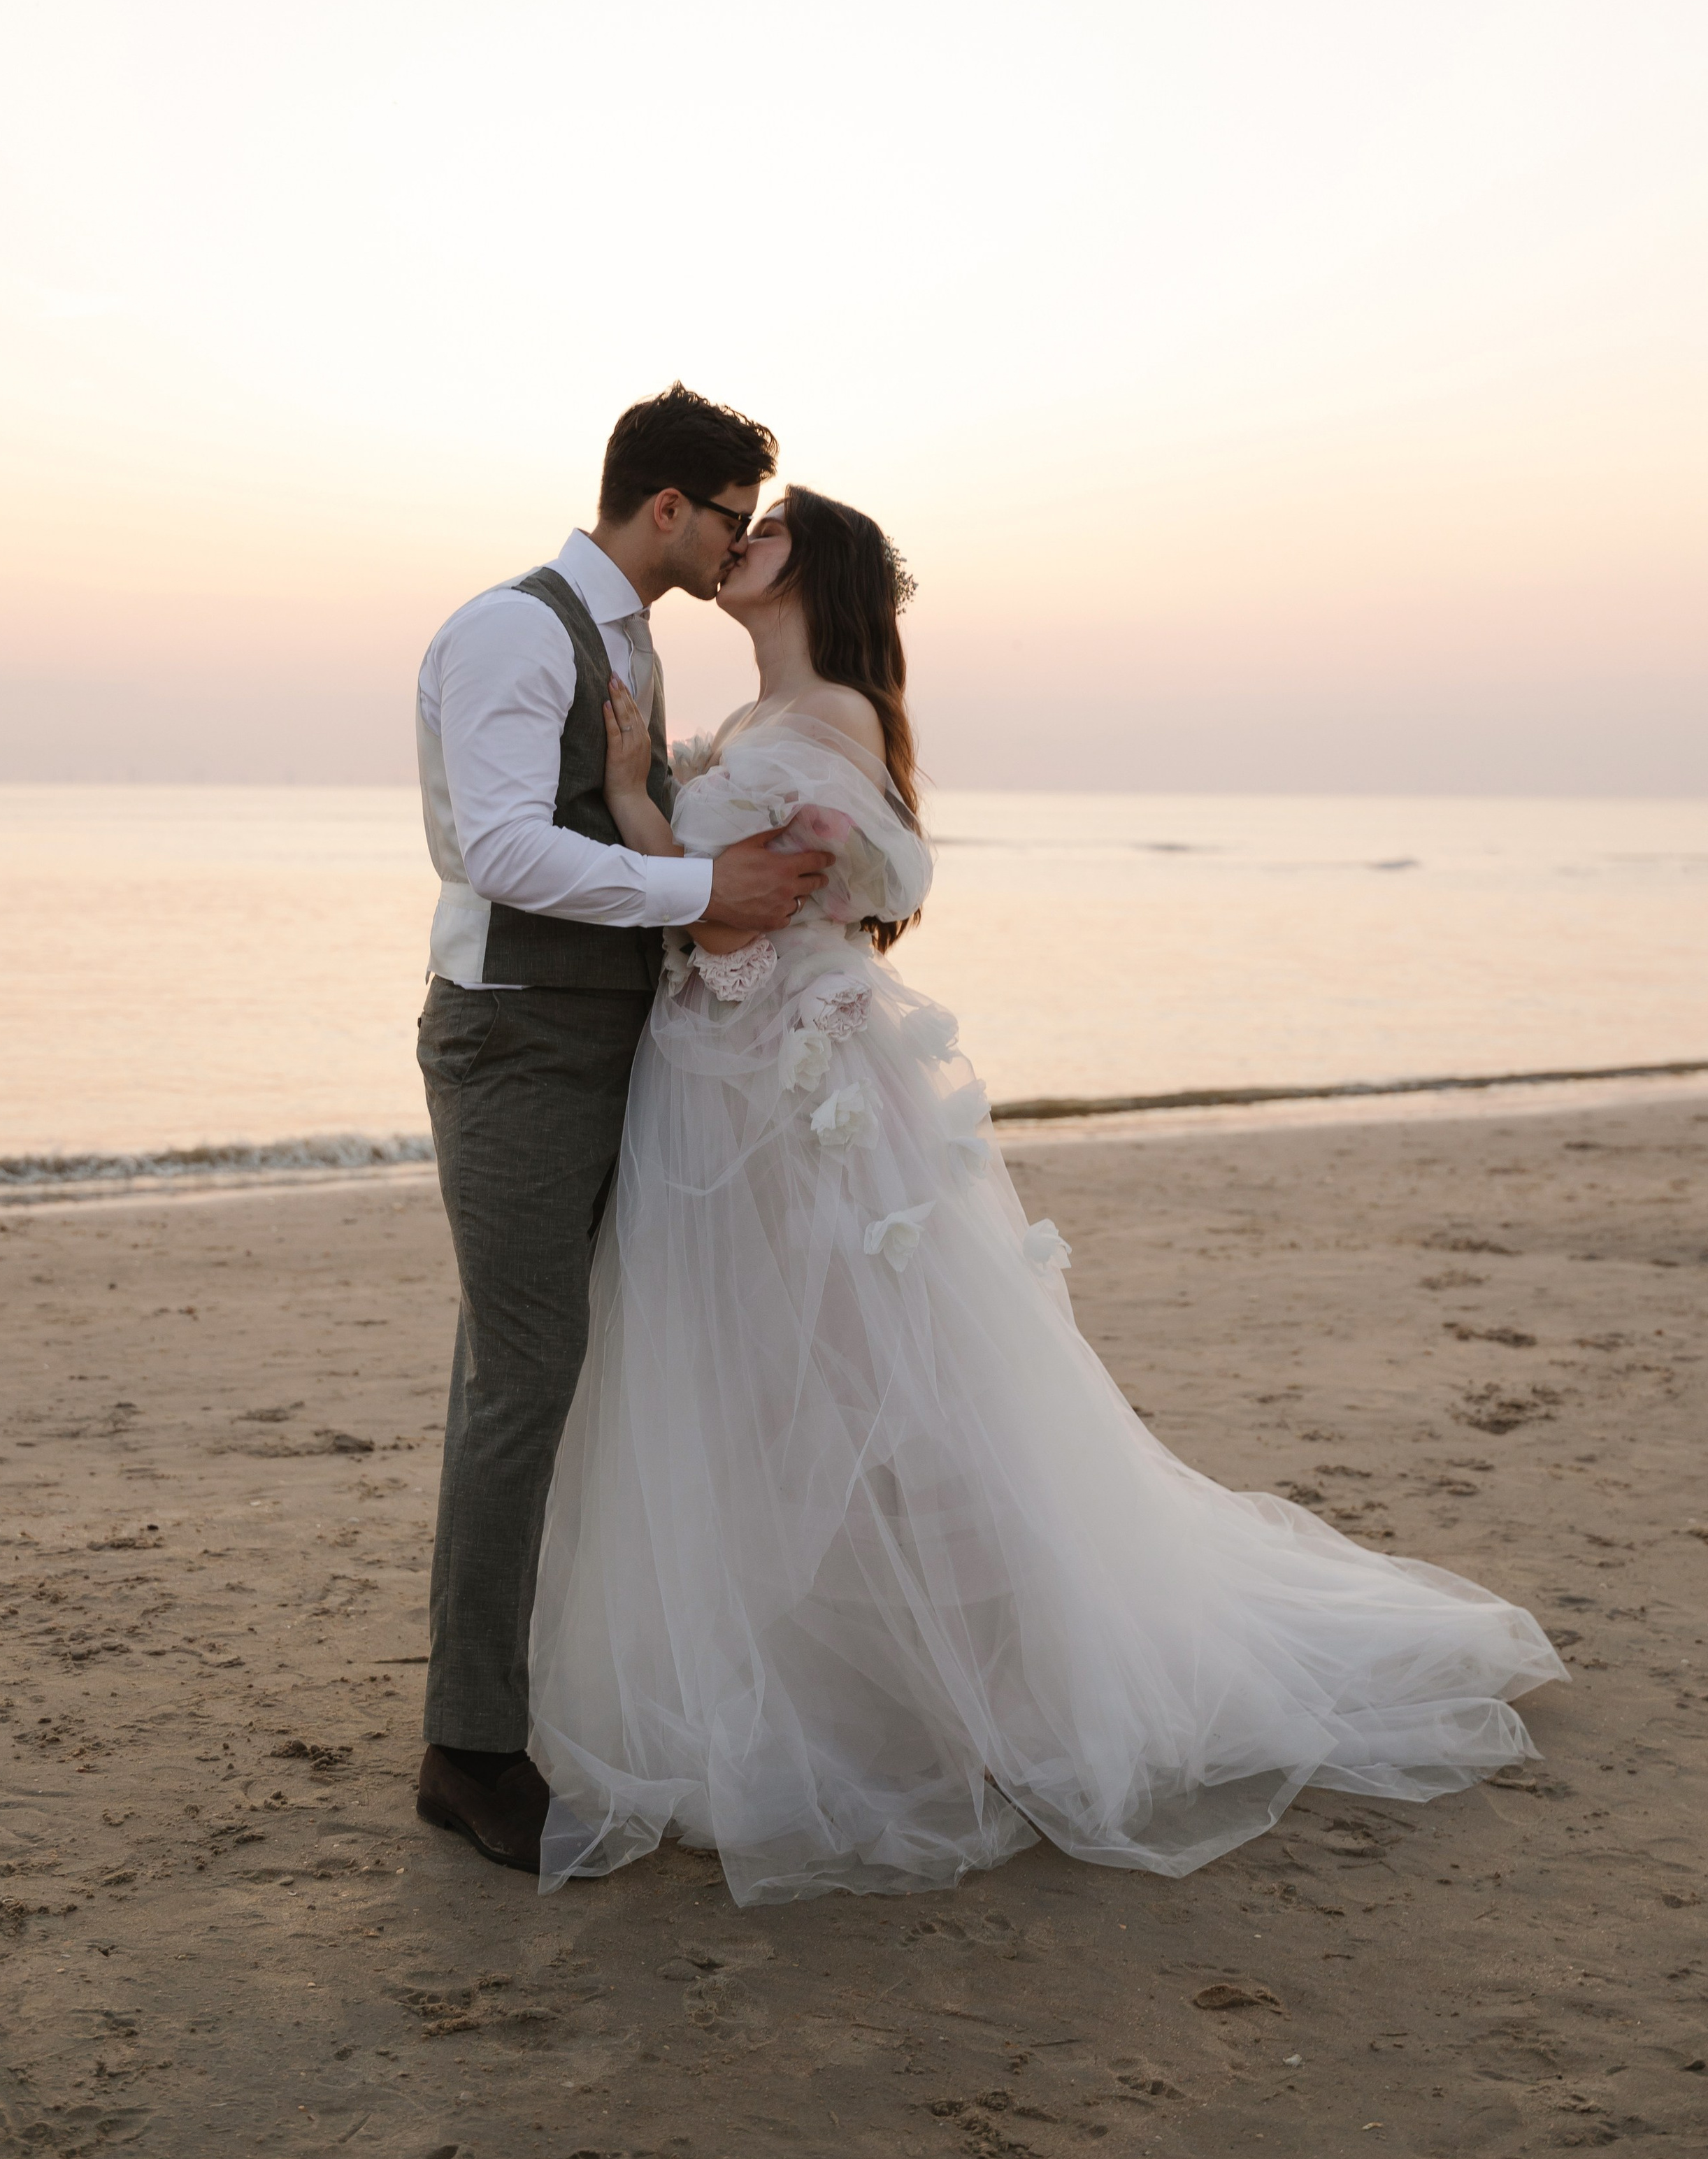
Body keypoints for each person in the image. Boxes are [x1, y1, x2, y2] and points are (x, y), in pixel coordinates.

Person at [525, 484, 1567, 1905]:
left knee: (886, 1396)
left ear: (808, 571)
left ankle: (993, 1699)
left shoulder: (823, 717)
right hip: (729, 1085)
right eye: (740, 521)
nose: (743, 540)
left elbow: (737, 902)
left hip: (800, 1096)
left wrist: (644, 801)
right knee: (772, 1396)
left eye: (767, 530)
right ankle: (859, 1686)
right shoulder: (770, 725)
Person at [412, 387, 835, 1874]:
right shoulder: (513, 631)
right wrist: (697, 896)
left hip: (619, 1039)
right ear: (668, 507)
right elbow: (494, 844)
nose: (733, 552)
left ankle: (537, 1700)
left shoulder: (633, 642)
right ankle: (467, 1748)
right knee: (523, 1377)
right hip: (518, 1038)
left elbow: (624, 817)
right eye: (727, 518)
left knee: (564, 1368)